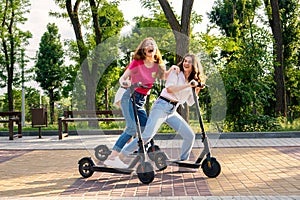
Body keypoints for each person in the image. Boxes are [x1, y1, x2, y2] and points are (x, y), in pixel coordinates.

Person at [109, 53, 206, 168]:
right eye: (185, 61)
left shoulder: (191, 80)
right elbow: (169, 89)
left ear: (194, 65)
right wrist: (188, 86)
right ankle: (120, 155)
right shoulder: (176, 73)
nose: (186, 63)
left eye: (189, 62)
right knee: (146, 136)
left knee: (190, 135)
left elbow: (190, 102)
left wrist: (197, 89)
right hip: (161, 105)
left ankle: (183, 163)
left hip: (172, 110)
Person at [104, 37, 178, 168]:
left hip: (140, 101)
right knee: (132, 128)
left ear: (155, 49)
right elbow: (123, 78)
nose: (150, 46)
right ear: (144, 50)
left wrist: (172, 68)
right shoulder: (137, 63)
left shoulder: (157, 66)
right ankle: (112, 158)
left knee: (146, 129)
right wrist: (125, 83)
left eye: (153, 44)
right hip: (129, 97)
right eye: (147, 45)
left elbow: (164, 76)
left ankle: (139, 155)